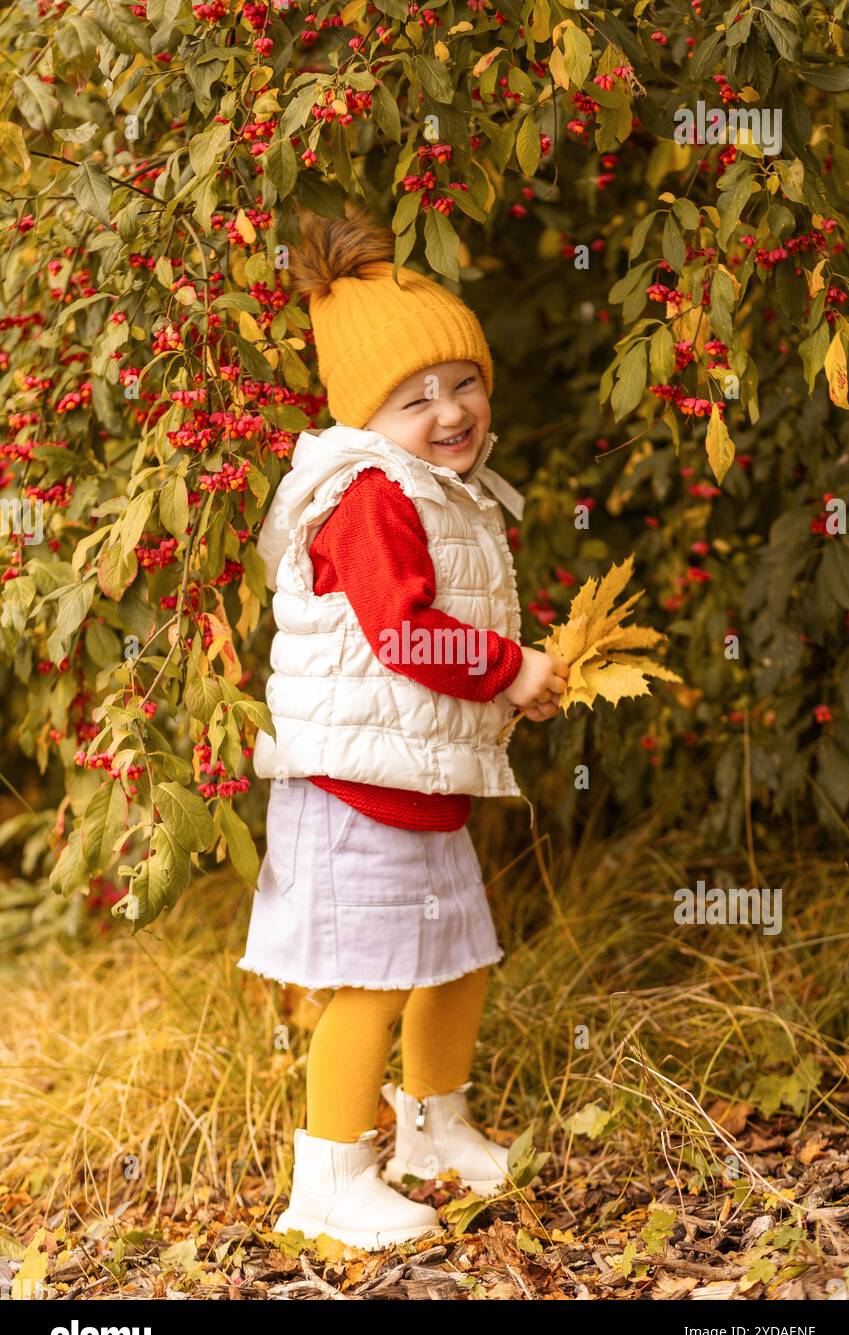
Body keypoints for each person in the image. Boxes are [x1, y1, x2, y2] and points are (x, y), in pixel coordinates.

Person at [237, 203, 568, 1250]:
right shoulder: (373, 495)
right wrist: (508, 671)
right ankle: (329, 1179)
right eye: (414, 396)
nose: (450, 409)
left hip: (411, 785)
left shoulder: (432, 485)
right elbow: (402, 637)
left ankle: (433, 1128)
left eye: (462, 381)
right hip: (347, 791)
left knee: (454, 957)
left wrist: (515, 675)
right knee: (367, 983)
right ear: (361, 414)